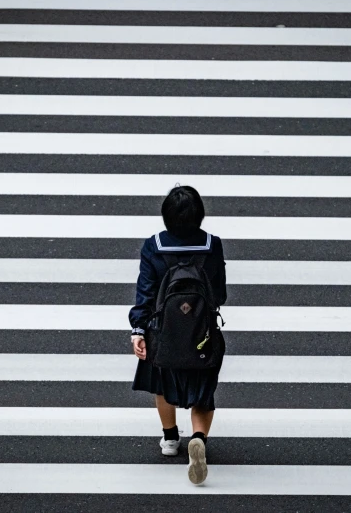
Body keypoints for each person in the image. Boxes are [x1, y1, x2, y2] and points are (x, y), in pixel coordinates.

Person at [129, 186, 227, 485]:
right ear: (200, 215)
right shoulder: (212, 245)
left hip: (163, 333)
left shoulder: (153, 246)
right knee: (203, 390)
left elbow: (145, 294)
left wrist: (138, 330)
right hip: (202, 333)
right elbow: (219, 294)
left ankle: (171, 439)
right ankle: (198, 438)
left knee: (161, 384)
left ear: (166, 217)